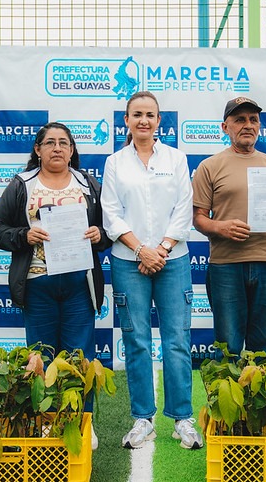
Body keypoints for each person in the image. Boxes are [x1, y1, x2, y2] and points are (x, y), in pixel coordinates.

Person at [102, 91, 202, 450]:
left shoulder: (176, 158)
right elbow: (110, 213)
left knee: (177, 341)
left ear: (159, 121)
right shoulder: (115, 162)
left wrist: (160, 249)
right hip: (128, 261)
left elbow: (183, 208)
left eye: (150, 115)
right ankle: (143, 419)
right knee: (137, 342)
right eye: (137, 115)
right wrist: (140, 250)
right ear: (126, 121)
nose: (143, 121)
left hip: (172, 260)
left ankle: (182, 418)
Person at [0, 122, 110, 359]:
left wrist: (99, 234)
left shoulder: (87, 184)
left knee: (79, 358)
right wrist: (24, 235)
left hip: (79, 282)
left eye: (63, 143)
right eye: (50, 143)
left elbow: (110, 228)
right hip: (37, 282)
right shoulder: (22, 184)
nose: (57, 148)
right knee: (41, 357)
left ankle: (78, 387)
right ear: (38, 149)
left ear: (71, 150)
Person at [192, 97, 266, 357]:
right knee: (228, 345)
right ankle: (226, 386)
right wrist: (221, 227)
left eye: (253, 120)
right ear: (225, 127)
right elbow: (198, 219)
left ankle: (259, 386)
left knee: (262, 345)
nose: (248, 125)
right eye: (240, 120)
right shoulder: (209, 166)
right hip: (226, 265)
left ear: (259, 126)